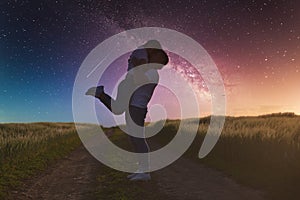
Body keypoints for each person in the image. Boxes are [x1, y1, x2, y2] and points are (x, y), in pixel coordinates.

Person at [86, 40, 169, 181]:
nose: (159, 64)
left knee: (138, 139)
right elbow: (133, 77)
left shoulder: (153, 73)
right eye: (159, 59)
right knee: (134, 138)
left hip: (137, 108)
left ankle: (145, 172)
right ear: (154, 53)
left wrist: (136, 65)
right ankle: (141, 169)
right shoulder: (147, 66)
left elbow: (137, 80)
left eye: (161, 63)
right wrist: (135, 65)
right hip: (133, 105)